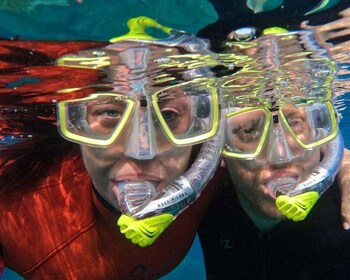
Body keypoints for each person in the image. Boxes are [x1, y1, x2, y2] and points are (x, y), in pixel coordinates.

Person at [0, 17, 225, 279]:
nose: (142, 152)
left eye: (170, 115)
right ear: (76, 125)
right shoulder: (14, 212)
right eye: (110, 113)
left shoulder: (219, 175)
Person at [198, 29, 350, 279]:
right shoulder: (201, 198)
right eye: (249, 131)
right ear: (219, 149)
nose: (281, 155)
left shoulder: (343, 207)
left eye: (296, 123)